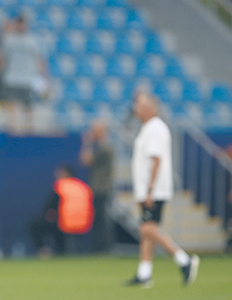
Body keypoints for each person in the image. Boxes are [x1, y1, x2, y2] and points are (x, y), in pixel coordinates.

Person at [127, 92, 199, 287]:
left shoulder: (156, 129)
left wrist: (149, 190)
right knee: (147, 231)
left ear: (151, 107)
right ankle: (145, 273)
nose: (136, 108)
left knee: (147, 227)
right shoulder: (148, 128)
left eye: (140, 104)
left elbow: (156, 160)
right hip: (149, 189)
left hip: (154, 190)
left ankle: (183, 260)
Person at [0, 15, 48, 131]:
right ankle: (12, 129)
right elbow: (0, 58)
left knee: (28, 105)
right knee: (11, 104)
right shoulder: (8, 40)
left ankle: (28, 129)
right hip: (11, 77)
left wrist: (44, 76)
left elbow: (39, 59)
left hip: (27, 79)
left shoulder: (32, 41)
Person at [29, 165, 94, 257]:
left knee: (35, 225)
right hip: (85, 225)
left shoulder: (61, 186)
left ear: (66, 173)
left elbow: (49, 207)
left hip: (65, 225)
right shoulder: (83, 187)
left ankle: (44, 250)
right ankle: (62, 251)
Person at [79, 119, 114, 253]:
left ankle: (104, 248)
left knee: (102, 219)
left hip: (101, 188)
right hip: (99, 188)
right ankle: (102, 247)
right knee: (99, 219)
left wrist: (86, 143)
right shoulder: (103, 146)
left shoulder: (104, 148)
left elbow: (86, 160)